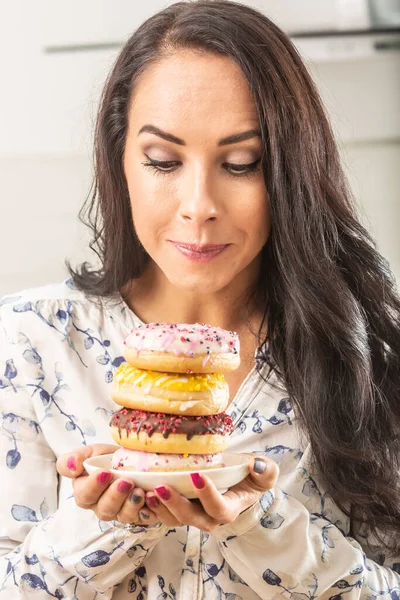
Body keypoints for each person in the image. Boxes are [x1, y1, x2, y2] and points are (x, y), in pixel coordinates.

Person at [1, 0, 399, 597]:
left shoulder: (365, 354)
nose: (198, 205)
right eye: (163, 161)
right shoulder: (30, 343)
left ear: (288, 171)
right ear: (121, 162)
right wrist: (99, 525)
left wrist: (266, 532)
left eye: (241, 164)